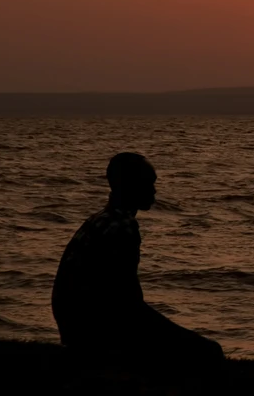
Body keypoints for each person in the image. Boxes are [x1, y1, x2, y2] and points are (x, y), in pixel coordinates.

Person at [52, 152, 223, 368]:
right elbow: (126, 303)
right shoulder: (122, 227)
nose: (154, 190)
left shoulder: (98, 219)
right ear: (130, 184)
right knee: (208, 352)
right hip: (96, 331)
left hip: (77, 325)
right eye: (148, 183)